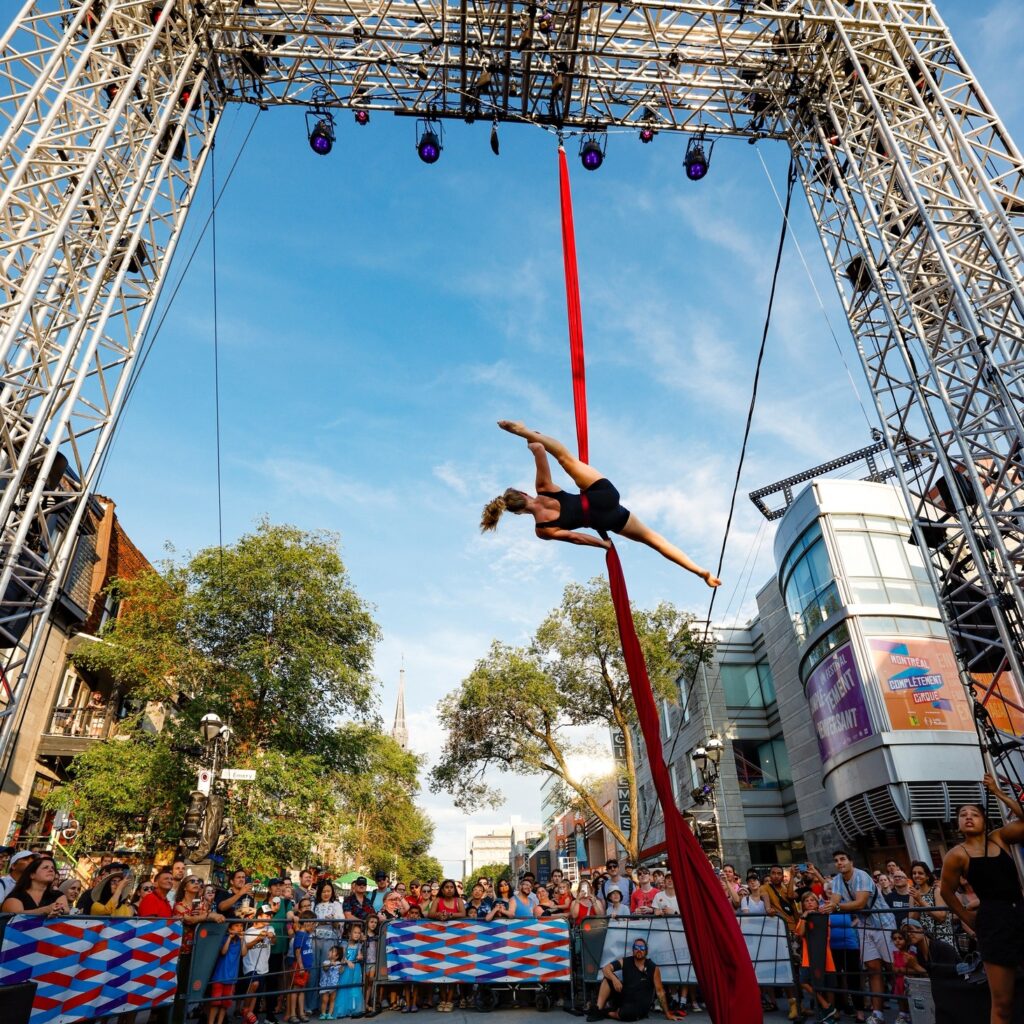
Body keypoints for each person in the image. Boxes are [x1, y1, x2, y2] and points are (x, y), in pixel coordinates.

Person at [484, 422, 721, 585]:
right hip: (602, 495)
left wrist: (604, 545)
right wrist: (530, 439)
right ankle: (522, 430)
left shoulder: (543, 530)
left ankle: (701, 572)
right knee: (567, 459)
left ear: (516, 513)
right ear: (524, 494)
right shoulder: (543, 489)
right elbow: (539, 451)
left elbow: (576, 538)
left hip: (606, 518)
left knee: (656, 542)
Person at [939, 793, 1024, 1024]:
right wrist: (966, 915)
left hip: (1020, 911)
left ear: (984, 820)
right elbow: (947, 891)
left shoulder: (999, 838)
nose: (968, 817)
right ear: (957, 823)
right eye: (963, 815)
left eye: (974, 814)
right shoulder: (956, 854)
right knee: (1002, 1003)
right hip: (994, 922)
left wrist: (997, 791)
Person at [829, 850, 896, 1024]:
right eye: (836, 861)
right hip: (865, 926)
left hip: (883, 924)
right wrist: (828, 906)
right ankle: (877, 1013)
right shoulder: (837, 880)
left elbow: (859, 902)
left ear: (851, 861)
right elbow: (835, 900)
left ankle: (905, 1011)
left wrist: (835, 908)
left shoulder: (862, 876)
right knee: (872, 969)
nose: (839, 863)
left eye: (843, 859)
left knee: (893, 969)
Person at [586, 938, 685, 1021]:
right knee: (607, 978)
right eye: (636, 948)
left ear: (646, 951)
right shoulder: (625, 961)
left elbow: (660, 992)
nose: (639, 950)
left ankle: (605, 1013)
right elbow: (606, 969)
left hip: (639, 1004)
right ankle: (597, 1010)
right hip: (624, 996)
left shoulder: (653, 968)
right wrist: (614, 979)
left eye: (642, 948)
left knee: (626, 1015)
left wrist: (667, 1014)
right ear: (633, 950)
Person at [794, 891, 836, 1023]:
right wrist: (804, 917)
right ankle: (826, 1006)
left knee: (827, 985)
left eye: (812, 900)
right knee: (804, 981)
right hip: (808, 956)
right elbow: (800, 932)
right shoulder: (803, 918)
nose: (809, 902)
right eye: (806, 901)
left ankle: (829, 1015)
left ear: (817, 903)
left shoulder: (824, 915)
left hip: (825, 955)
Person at [311, 879, 345, 1015]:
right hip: (315, 939)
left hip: (330, 938)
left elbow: (340, 921)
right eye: (323, 891)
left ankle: (323, 1007)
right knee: (314, 970)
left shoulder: (336, 905)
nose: (326, 894)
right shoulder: (315, 904)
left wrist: (334, 920)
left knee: (327, 970)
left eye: (328, 891)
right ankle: (311, 1005)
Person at [240, 906, 276, 1024]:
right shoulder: (249, 931)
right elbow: (246, 947)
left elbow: (274, 941)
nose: (269, 917)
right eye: (266, 915)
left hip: (263, 967)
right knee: (254, 984)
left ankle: (248, 1018)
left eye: (270, 915)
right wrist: (258, 938)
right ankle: (245, 1010)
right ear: (259, 916)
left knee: (256, 993)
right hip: (250, 965)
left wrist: (271, 936)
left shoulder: (270, 927)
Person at [207, 919, 247, 1024]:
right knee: (215, 1003)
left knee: (225, 1004)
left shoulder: (240, 940)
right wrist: (229, 937)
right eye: (237, 926)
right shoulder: (224, 938)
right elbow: (223, 952)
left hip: (232, 977)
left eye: (241, 926)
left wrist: (242, 939)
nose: (239, 928)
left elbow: (244, 953)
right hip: (220, 976)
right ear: (230, 928)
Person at [1, 855, 66, 915]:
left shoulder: (57, 894)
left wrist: (59, 909)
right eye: (45, 867)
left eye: (53, 868)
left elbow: (65, 909)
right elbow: (15, 917)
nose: (51, 870)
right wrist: (44, 910)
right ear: (32, 875)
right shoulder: (16, 896)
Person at [908, 860, 952, 944]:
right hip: (926, 939)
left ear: (927, 876)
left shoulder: (936, 891)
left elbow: (941, 917)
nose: (916, 875)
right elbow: (911, 921)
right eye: (914, 873)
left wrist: (921, 901)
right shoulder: (913, 895)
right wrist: (918, 905)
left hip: (943, 936)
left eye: (920, 873)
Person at [287, 911, 316, 1024]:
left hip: (306, 966)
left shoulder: (306, 934)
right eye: (313, 924)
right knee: (296, 989)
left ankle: (301, 1013)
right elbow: (297, 951)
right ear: (307, 923)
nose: (314, 926)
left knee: (302, 989)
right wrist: (301, 966)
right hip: (300, 966)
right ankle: (293, 1014)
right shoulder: (300, 935)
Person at [336, 922, 365, 1019]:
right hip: (347, 969)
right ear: (349, 934)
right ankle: (342, 1009)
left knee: (354, 987)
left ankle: (354, 1009)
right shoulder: (344, 944)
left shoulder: (359, 945)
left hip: (356, 969)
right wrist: (347, 961)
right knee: (344, 987)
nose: (357, 935)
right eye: (355, 932)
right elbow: (342, 958)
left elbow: (360, 955)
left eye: (358, 933)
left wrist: (360, 956)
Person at [319, 944, 342, 1021]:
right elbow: (325, 968)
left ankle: (329, 1014)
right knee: (325, 1000)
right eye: (330, 950)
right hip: (325, 984)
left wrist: (342, 965)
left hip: (334, 984)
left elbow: (341, 971)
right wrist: (330, 964)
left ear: (337, 956)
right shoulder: (325, 962)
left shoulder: (338, 963)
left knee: (332, 999)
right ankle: (323, 1013)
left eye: (333, 951)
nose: (330, 952)